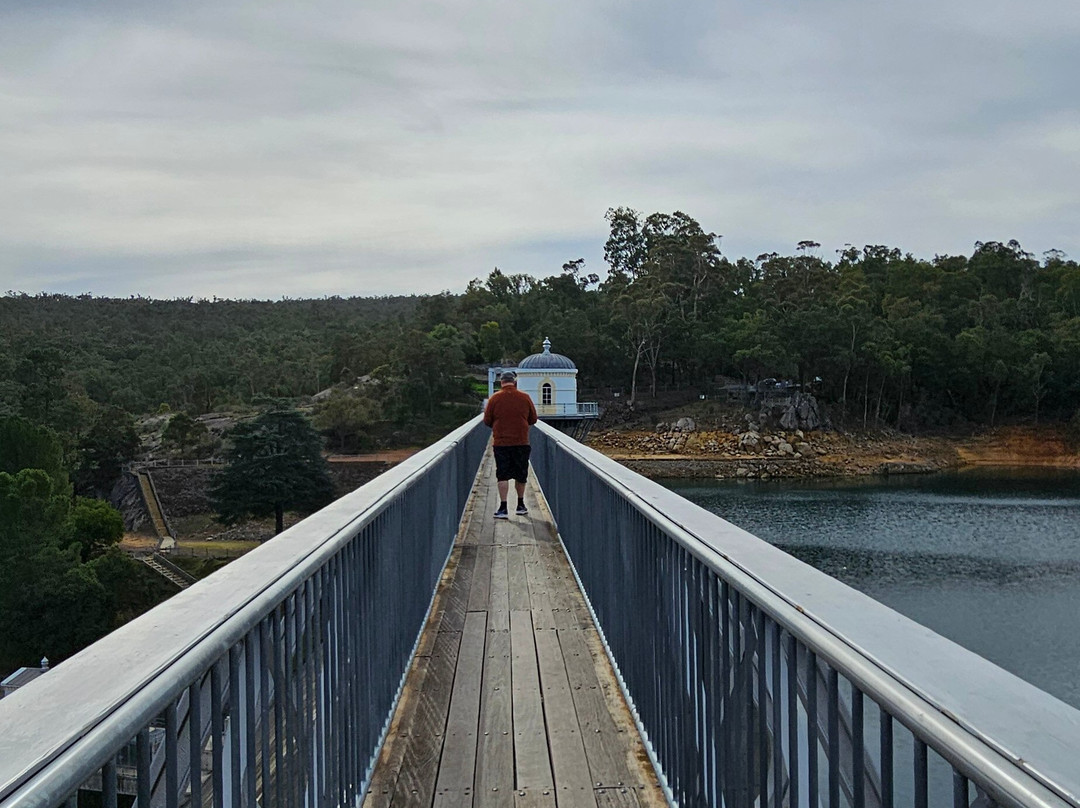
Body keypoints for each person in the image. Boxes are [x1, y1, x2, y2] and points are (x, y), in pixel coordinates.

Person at [483, 370, 538, 519]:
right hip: (521, 441)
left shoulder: (494, 398)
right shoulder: (525, 397)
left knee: (503, 475)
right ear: (514, 382)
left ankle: (503, 507)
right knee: (521, 474)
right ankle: (520, 505)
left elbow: (487, 420)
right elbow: (533, 419)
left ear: (501, 382)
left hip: (501, 442)